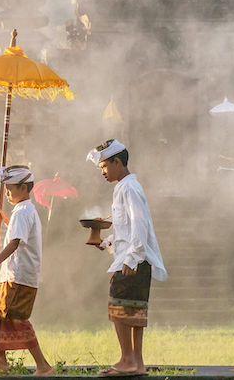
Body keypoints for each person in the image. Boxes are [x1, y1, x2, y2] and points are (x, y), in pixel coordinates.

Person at [87, 139, 167, 376]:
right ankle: (136, 364)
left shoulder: (130, 188)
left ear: (117, 162)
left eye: (104, 166)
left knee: (119, 306)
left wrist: (132, 258)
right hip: (132, 258)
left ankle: (127, 361)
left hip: (134, 261)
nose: (102, 172)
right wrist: (107, 242)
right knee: (132, 310)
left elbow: (140, 225)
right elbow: (126, 229)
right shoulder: (123, 188)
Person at [0, 165, 53, 375]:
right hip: (14, 276)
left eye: (10, 188)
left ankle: (43, 366)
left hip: (17, 277)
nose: (7, 193)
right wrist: (5, 220)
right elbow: (19, 234)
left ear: (24, 188)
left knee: (15, 320)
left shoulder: (23, 212)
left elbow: (16, 242)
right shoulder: (24, 211)